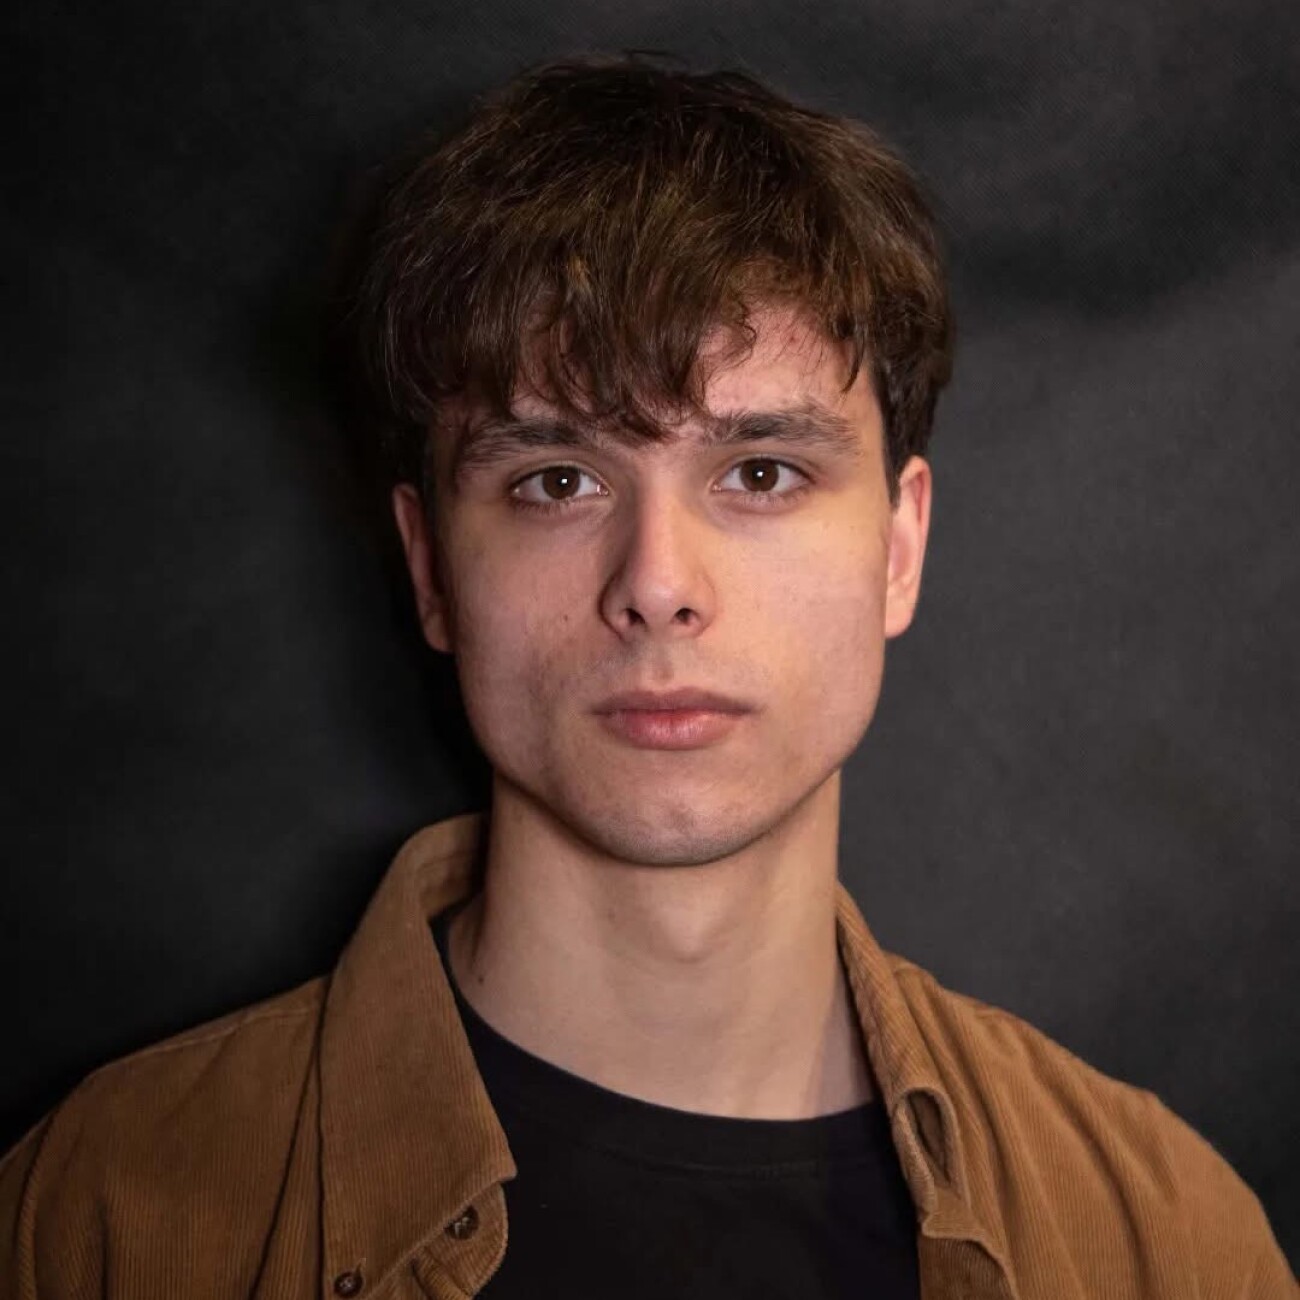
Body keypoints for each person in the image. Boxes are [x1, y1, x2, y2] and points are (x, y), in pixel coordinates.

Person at [1, 53, 1293, 1300]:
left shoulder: (1165, 1244)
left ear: (900, 549)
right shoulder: (98, 1213)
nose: (658, 581)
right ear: (430, 568)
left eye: (761, 473)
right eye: (558, 480)